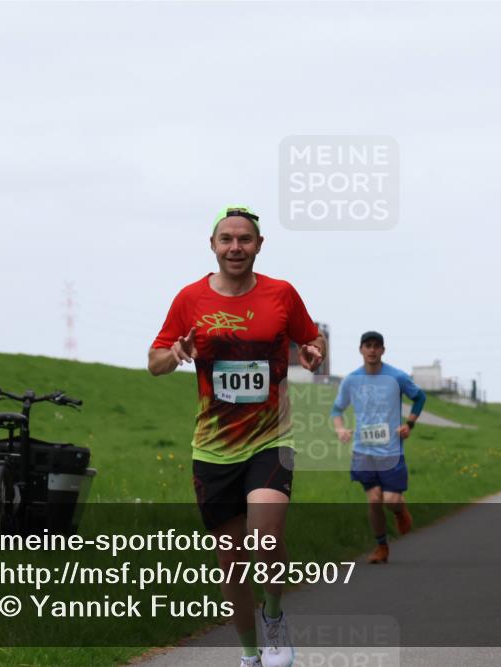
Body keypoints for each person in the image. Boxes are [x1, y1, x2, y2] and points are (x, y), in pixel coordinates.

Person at [148, 206, 326, 667]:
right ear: (212, 246)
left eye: (244, 239)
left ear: (259, 245)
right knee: (232, 561)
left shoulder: (282, 294)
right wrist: (176, 353)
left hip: (272, 438)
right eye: (226, 239)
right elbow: (155, 362)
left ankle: (275, 615)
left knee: (265, 537)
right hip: (213, 446)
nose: (235, 247)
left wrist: (311, 351)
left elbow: (312, 340)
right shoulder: (190, 299)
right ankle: (249, 655)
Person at [331, 331, 426, 565]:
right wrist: (340, 429)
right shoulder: (351, 380)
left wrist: (409, 424)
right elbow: (336, 410)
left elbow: (420, 397)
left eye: (376, 346)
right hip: (364, 451)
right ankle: (381, 547)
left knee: (391, 500)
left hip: (392, 450)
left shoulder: (397, 377)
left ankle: (400, 511)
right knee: (374, 500)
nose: (372, 350)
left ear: (383, 350)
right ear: (361, 350)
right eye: (368, 346)